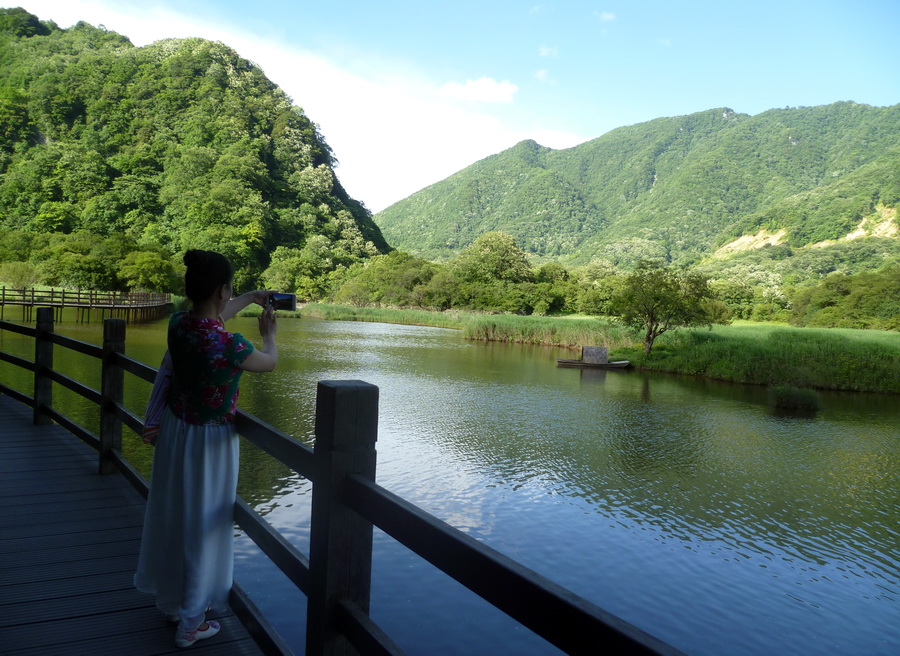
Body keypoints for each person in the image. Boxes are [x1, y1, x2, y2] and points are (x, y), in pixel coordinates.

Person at [134, 249, 278, 649]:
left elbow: (212, 315)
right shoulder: (231, 345)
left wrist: (248, 297)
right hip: (210, 442)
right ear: (221, 290)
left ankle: (175, 603)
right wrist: (269, 335)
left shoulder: (178, 324)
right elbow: (268, 362)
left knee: (176, 516)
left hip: (176, 431)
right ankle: (191, 622)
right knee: (203, 526)